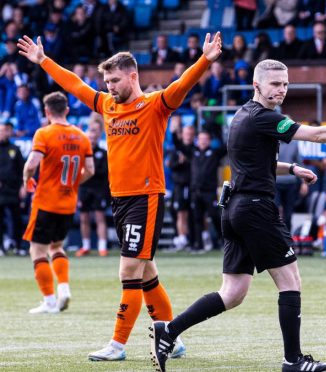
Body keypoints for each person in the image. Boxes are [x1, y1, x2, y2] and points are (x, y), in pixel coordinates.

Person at [149, 58, 326, 372]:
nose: (281, 90)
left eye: (285, 84)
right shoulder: (266, 117)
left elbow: (253, 162)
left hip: (234, 209)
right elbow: (317, 135)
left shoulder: (242, 115)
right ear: (257, 85)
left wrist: (292, 168)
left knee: (233, 292)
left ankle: (169, 330)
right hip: (256, 209)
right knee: (290, 281)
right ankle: (293, 361)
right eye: (275, 84)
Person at [17, 31, 223, 361]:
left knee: (128, 272)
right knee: (147, 273)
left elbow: (181, 86)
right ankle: (172, 337)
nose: (110, 87)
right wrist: (43, 61)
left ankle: (117, 345)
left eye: (115, 80)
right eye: (107, 81)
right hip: (121, 200)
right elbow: (74, 85)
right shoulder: (107, 105)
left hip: (146, 197)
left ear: (133, 76)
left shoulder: (155, 105)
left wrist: (205, 60)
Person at [22, 91, 95, 313]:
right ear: (67, 110)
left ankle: (50, 300)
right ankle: (63, 288)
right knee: (57, 246)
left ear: (46, 112)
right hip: (68, 202)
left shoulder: (44, 134)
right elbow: (90, 170)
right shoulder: (82, 136)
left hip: (45, 201)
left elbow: (32, 162)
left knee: (37, 250)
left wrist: (27, 179)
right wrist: (73, 183)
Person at [76, 118, 110, 257]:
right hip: (84, 188)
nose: (92, 140)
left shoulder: (102, 153)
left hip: (99, 189)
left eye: (94, 137)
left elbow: (102, 171)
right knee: (84, 217)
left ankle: (102, 246)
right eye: (89, 137)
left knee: (99, 217)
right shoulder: (80, 153)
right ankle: (86, 246)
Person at [167, 118, 194, 251]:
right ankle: (181, 238)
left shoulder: (193, 149)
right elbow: (171, 165)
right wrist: (180, 163)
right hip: (178, 186)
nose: (188, 136)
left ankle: (186, 238)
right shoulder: (176, 150)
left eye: (190, 134)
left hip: (189, 186)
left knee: (186, 213)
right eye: (186, 133)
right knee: (178, 212)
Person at [0, 122, 25, 255]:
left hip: (14, 190)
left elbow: (23, 170)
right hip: (0, 191)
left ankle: (18, 246)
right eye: (1, 131)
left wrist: (23, 186)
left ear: (9, 132)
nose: (2, 133)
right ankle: (1, 248)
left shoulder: (15, 149)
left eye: (5, 131)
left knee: (17, 219)